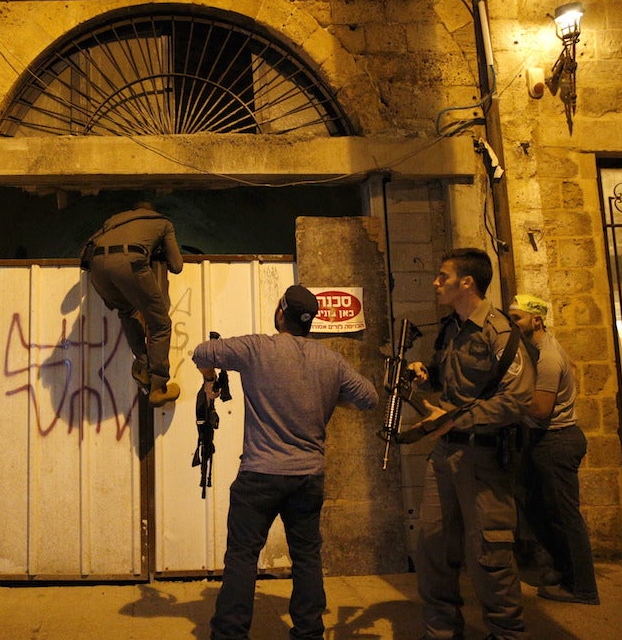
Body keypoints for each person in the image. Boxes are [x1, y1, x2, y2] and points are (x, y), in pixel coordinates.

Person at [192, 285, 379, 640]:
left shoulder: (256, 348)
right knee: (307, 556)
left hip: (260, 475)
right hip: (308, 478)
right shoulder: (331, 361)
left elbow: (202, 352)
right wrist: (325, 396)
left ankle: (230, 634)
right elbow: (368, 398)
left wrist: (209, 380)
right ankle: (309, 632)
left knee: (243, 556)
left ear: (281, 313)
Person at [406, 248, 535, 640]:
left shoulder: (499, 332)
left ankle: (506, 632)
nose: (435, 283)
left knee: (489, 554)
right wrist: (424, 377)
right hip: (444, 454)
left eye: (443, 276)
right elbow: (452, 387)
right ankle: (442, 631)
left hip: (483, 457)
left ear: (467, 283)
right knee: (432, 546)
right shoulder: (451, 329)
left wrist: (452, 419)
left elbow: (517, 398)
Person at [508, 294, 600, 605]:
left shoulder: (546, 357)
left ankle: (583, 588)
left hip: (556, 441)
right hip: (544, 440)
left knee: (564, 516)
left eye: (517, 318)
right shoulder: (538, 348)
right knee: (533, 505)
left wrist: (507, 400)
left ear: (536, 320)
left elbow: (541, 409)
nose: (512, 324)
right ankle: (564, 567)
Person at [86, 201, 184, 407]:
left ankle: (141, 365)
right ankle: (158, 386)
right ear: (152, 212)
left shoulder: (114, 221)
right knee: (160, 323)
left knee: (127, 310)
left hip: (96, 269)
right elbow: (176, 266)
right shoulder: (162, 223)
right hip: (128, 264)